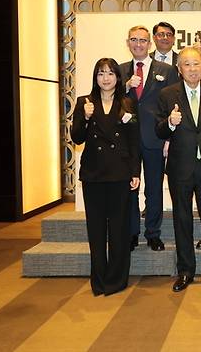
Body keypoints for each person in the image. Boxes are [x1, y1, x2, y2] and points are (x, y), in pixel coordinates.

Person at [155, 47, 201, 292]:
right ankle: (186, 270)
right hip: (180, 168)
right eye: (186, 64)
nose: (192, 69)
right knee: (182, 219)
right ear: (179, 68)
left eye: (196, 64)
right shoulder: (167, 94)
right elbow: (158, 129)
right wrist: (169, 123)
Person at [71, 58, 141, 296]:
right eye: (101, 74)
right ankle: (99, 280)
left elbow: (134, 141)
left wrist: (135, 172)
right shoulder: (85, 102)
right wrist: (86, 118)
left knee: (120, 231)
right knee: (97, 230)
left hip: (120, 174)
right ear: (95, 77)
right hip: (94, 175)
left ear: (117, 78)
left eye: (110, 73)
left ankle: (116, 280)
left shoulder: (128, 103)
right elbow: (77, 137)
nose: (106, 78)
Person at [120, 25, 179, 252]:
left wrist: (169, 138)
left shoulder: (166, 69)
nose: (138, 44)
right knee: (130, 188)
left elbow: (173, 104)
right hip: (127, 140)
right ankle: (132, 232)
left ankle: (153, 233)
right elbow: (110, 99)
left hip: (156, 138)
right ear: (128, 43)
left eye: (143, 40)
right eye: (134, 39)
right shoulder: (120, 70)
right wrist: (125, 86)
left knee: (154, 189)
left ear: (150, 44)